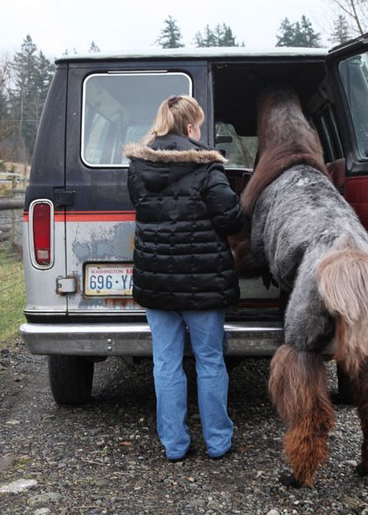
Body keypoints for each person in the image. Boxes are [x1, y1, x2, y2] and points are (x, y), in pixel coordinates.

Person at [124, 95, 243, 461]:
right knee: (209, 361)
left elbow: (143, 208)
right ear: (191, 128)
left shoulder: (138, 167)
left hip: (157, 283)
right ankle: (218, 442)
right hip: (204, 284)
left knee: (165, 363)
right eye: (200, 126)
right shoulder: (207, 167)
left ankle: (174, 444)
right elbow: (231, 220)